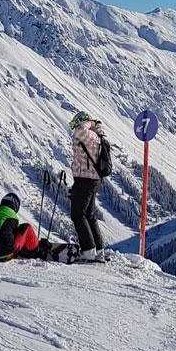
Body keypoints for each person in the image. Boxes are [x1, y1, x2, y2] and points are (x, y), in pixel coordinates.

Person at [69, 111, 106, 262]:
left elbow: (80, 131)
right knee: (89, 215)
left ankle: (88, 250)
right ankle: (98, 250)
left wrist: (89, 122)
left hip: (85, 179)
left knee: (77, 214)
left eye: (77, 123)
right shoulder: (97, 137)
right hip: (92, 179)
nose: (75, 128)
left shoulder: (89, 134)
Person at [0, 193, 41, 261]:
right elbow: (13, 236)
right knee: (26, 227)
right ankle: (36, 250)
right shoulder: (12, 215)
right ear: (15, 205)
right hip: (6, 254)